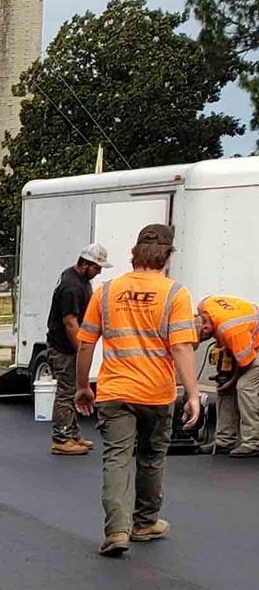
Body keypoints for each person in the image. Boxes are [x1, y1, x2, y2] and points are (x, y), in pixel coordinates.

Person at [74, 223, 201, 555]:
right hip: (156, 393)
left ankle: (117, 530)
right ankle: (145, 521)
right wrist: (193, 394)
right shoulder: (176, 294)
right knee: (152, 456)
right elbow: (182, 348)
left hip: (114, 390)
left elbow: (86, 343)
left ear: (135, 253)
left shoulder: (106, 290)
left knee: (117, 458)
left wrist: (82, 388)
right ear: (166, 256)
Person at [45, 244, 106, 451]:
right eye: (97, 267)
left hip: (63, 345)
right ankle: (61, 439)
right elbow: (70, 323)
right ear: (85, 264)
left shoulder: (76, 278)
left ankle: (72, 434)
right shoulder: (72, 286)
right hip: (64, 348)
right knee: (67, 391)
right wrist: (82, 350)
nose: (99, 272)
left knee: (71, 391)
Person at [193, 292, 259, 456]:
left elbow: (246, 362)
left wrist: (232, 380)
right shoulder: (204, 305)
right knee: (223, 387)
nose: (203, 342)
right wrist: (225, 381)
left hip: (254, 346)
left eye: (202, 339)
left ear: (206, 328)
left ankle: (252, 442)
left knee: (244, 386)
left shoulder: (231, 330)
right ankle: (224, 440)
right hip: (246, 337)